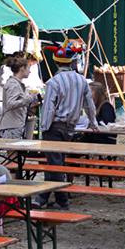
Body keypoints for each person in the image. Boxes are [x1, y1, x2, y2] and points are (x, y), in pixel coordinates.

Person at [36, 43, 98, 209]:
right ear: (71, 62)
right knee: (55, 163)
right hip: (71, 128)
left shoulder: (53, 82)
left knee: (54, 164)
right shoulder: (82, 81)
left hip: (54, 127)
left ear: (56, 62)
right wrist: (93, 122)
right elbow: (89, 104)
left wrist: (44, 127)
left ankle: (62, 200)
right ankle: (43, 197)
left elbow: (48, 108)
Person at [0, 57, 40, 139]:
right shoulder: (13, 84)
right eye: (28, 68)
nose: (30, 71)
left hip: (14, 125)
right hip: (11, 127)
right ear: (22, 68)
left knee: (14, 151)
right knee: (12, 151)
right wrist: (29, 98)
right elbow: (10, 104)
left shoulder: (16, 83)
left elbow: (18, 104)